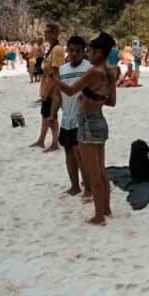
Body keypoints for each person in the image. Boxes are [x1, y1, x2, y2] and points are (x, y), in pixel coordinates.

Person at [51, 32, 116, 225]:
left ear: (98, 52)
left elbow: (70, 90)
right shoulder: (109, 73)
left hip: (87, 121)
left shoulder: (93, 72)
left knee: (92, 171)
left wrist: (54, 78)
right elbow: (111, 101)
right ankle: (106, 208)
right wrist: (91, 97)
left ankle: (98, 215)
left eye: (90, 50)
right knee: (101, 170)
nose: (88, 54)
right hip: (99, 120)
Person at [55, 36, 91, 197]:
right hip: (66, 118)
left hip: (82, 118)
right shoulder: (62, 70)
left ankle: (88, 188)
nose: (74, 54)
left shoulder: (89, 68)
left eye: (78, 51)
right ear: (67, 50)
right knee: (68, 151)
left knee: (82, 154)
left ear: (84, 52)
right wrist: (52, 113)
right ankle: (75, 186)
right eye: (71, 50)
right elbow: (58, 94)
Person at [31, 24, 64, 152]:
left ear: (54, 33)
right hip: (48, 86)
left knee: (51, 116)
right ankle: (41, 140)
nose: (45, 34)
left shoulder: (57, 49)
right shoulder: (51, 48)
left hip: (53, 89)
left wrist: (48, 90)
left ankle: (55, 142)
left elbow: (56, 73)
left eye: (47, 32)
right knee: (45, 115)